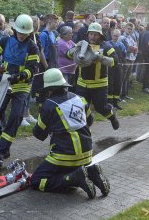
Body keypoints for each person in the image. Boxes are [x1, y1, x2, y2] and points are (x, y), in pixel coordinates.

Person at [31, 68, 110, 199]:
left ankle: (73, 178)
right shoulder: (80, 99)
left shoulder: (49, 105)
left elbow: (38, 134)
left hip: (65, 156)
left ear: (49, 89)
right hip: (87, 154)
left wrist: (50, 120)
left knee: (37, 180)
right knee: (69, 167)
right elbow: (89, 121)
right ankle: (91, 172)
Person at [0, 14, 39, 167]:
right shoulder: (4, 41)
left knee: (15, 117)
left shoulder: (32, 47)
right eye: (20, 32)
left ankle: (1, 152)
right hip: (4, 84)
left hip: (22, 87)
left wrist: (21, 76)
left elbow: (32, 69)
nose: (22, 36)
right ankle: (1, 150)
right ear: (15, 29)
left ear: (30, 32)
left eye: (25, 33)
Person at [68, 22, 120, 130]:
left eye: (95, 34)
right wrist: (75, 49)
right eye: (91, 34)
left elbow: (115, 61)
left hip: (99, 85)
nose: (92, 36)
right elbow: (68, 54)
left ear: (100, 35)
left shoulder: (106, 46)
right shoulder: (82, 44)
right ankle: (86, 125)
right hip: (83, 84)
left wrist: (101, 58)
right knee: (80, 107)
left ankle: (112, 117)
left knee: (101, 108)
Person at [107, 29, 126, 110]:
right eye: (114, 36)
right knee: (110, 85)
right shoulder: (108, 44)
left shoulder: (121, 45)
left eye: (117, 36)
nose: (115, 37)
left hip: (119, 67)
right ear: (111, 35)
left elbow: (124, 54)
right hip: (110, 68)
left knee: (118, 85)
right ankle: (109, 103)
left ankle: (115, 103)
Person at [119, 22, 138, 100]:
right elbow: (127, 49)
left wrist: (133, 49)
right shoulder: (122, 37)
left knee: (127, 77)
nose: (130, 30)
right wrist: (132, 49)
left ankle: (125, 94)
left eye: (131, 29)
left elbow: (135, 48)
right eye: (128, 28)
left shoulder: (131, 38)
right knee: (122, 78)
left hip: (131, 59)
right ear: (125, 28)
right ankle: (119, 96)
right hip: (125, 59)